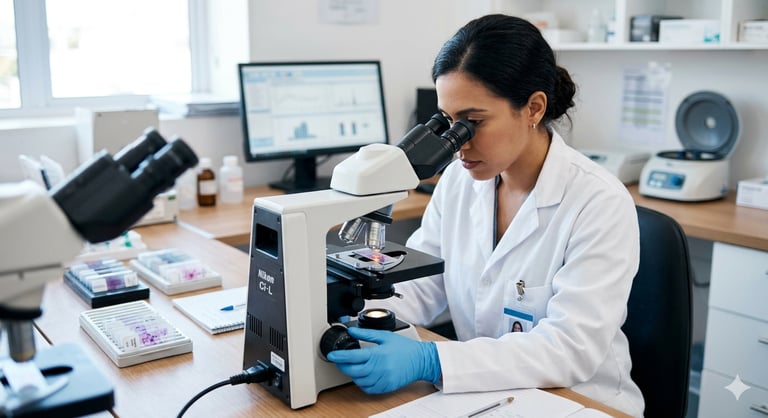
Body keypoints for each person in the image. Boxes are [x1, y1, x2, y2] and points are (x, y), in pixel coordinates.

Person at [326, 14, 643, 417]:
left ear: (533, 107)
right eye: (447, 121)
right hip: (488, 396)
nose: (457, 144)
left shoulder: (598, 202)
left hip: (580, 402)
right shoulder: (462, 181)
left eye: (472, 122)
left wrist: (432, 361)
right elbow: (423, 285)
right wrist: (354, 312)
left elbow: (570, 349)